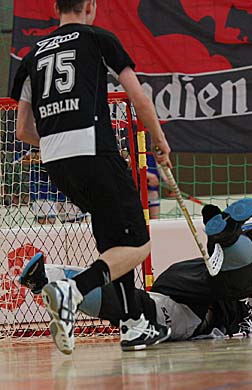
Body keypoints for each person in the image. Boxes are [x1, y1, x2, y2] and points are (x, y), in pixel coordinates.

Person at [10, 0, 172, 354]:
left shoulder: (32, 55)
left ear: (55, 7)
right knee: (138, 244)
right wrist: (160, 141)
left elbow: (21, 129)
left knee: (115, 242)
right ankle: (73, 290)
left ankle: (133, 324)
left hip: (55, 162)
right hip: (93, 150)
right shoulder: (98, 38)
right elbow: (139, 98)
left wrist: (55, 141)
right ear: (90, 6)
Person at [19, 222, 252, 340]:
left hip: (183, 301)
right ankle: (227, 236)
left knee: (131, 304)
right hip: (191, 295)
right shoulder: (247, 278)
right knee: (238, 268)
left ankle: (47, 278)